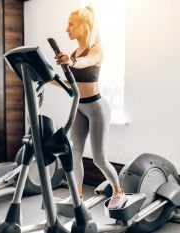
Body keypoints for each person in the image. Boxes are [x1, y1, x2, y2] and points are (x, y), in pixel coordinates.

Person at [54, 5, 127, 209]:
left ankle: (118, 192)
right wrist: (44, 78)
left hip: (96, 109)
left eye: (71, 24)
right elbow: (70, 83)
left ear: (84, 26)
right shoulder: (74, 51)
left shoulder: (95, 49)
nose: (66, 29)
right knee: (75, 152)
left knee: (99, 158)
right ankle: (76, 196)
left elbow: (87, 61)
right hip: (79, 107)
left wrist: (72, 61)